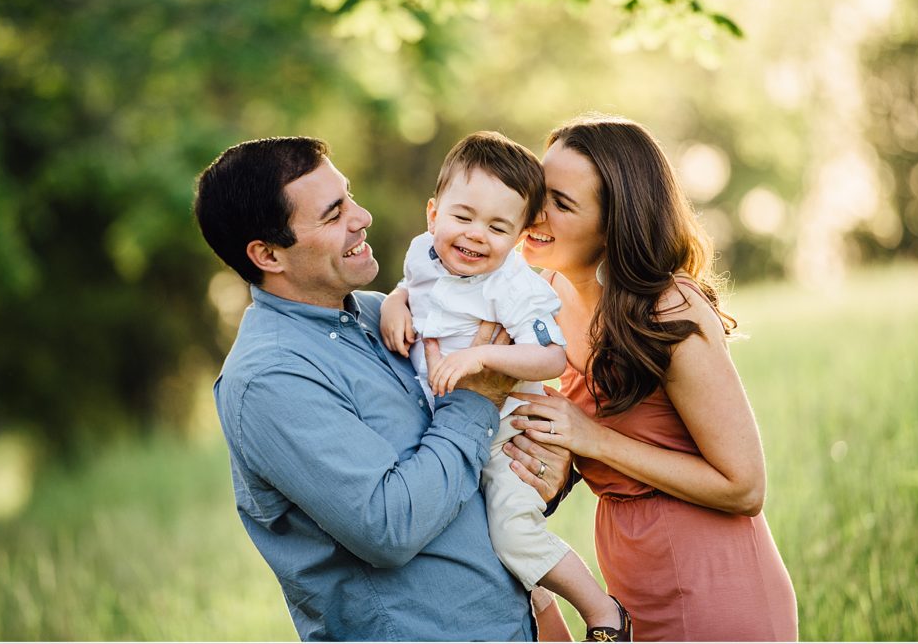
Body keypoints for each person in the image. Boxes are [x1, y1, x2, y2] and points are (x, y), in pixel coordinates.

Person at [192, 136, 572, 642]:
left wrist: (549, 473)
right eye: (333, 215)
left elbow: (469, 477)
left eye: (349, 197)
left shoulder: (386, 315)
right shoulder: (270, 379)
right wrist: (477, 398)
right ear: (268, 254)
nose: (362, 216)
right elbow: (390, 527)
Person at [510, 114, 799, 641]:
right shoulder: (540, 295)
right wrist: (560, 468)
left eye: (561, 202)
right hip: (631, 583)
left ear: (614, 224)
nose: (533, 210)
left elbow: (745, 486)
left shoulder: (668, 309)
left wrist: (588, 438)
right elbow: (589, 437)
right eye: (535, 190)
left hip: (717, 588)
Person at [379, 131, 631, 642]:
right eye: (463, 217)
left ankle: (604, 615)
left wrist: (484, 355)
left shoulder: (514, 287)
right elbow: (416, 288)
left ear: (519, 238)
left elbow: (551, 356)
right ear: (433, 214)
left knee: (514, 536)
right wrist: (393, 302)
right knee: (479, 544)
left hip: (506, 435)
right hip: (450, 431)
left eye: (498, 227)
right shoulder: (424, 254)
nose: (475, 235)